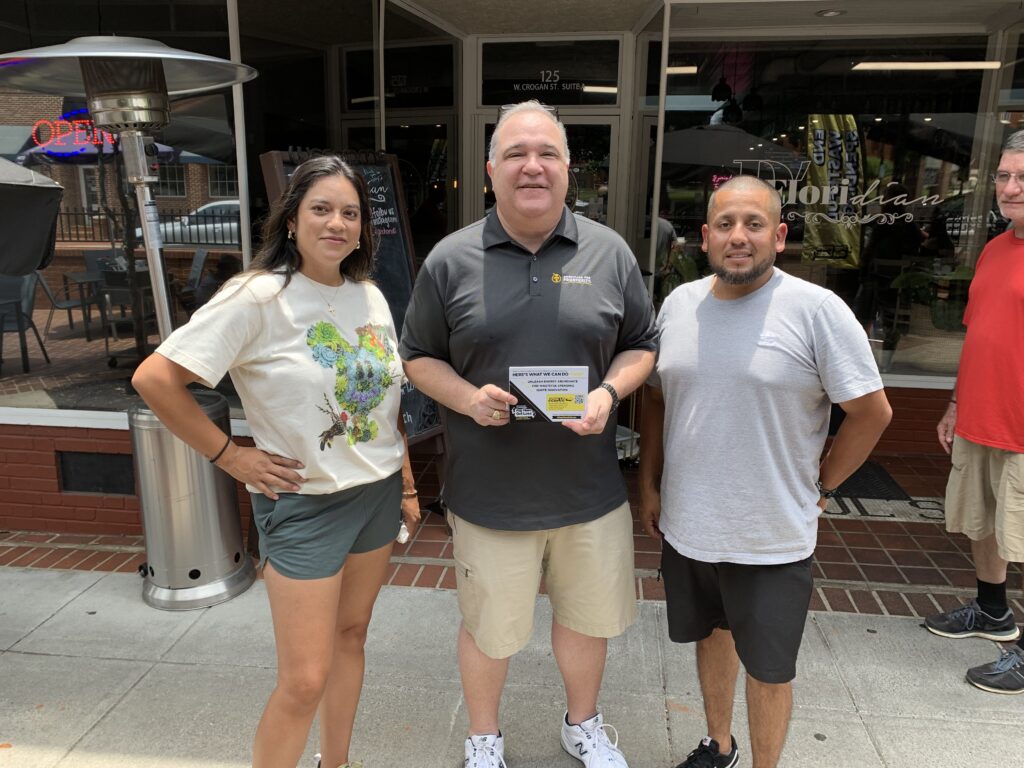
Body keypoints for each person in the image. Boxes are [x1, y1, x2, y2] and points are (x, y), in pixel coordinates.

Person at [131, 155, 421, 768]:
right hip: (306, 506)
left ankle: (334, 763)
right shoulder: (257, 296)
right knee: (304, 679)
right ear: (291, 220)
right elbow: (155, 378)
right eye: (321, 209)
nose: (337, 223)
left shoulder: (369, 295)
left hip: (376, 495)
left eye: (350, 212)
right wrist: (228, 455)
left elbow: (386, 399)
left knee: (352, 638)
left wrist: (407, 485)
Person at [400, 100, 656, 768]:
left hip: (589, 491)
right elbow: (417, 356)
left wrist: (607, 392)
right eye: (516, 154)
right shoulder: (451, 260)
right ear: (491, 170)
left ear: (570, 169)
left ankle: (584, 725)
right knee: (490, 628)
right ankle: (484, 739)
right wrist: (464, 397)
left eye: (547, 153)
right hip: (490, 495)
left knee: (588, 618)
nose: (532, 166)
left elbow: (641, 346)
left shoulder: (611, 252)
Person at [639, 175, 892, 768]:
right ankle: (718, 744)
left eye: (754, 224)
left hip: (771, 534)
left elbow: (871, 412)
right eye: (725, 224)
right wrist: (649, 484)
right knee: (711, 636)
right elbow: (654, 398)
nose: (738, 237)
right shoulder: (679, 305)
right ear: (704, 236)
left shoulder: (817, 311)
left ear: (779, 236)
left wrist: (823, 486)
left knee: (770, 669)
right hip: (690, 524)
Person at [926, 130, 1024, 694]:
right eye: (1003, 177)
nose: (1010, 189)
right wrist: (956, 403)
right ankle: (993, 612)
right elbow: (978, 335)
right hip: (982, 417)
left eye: (1021, 179)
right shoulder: (994, 248)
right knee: (982, 523)